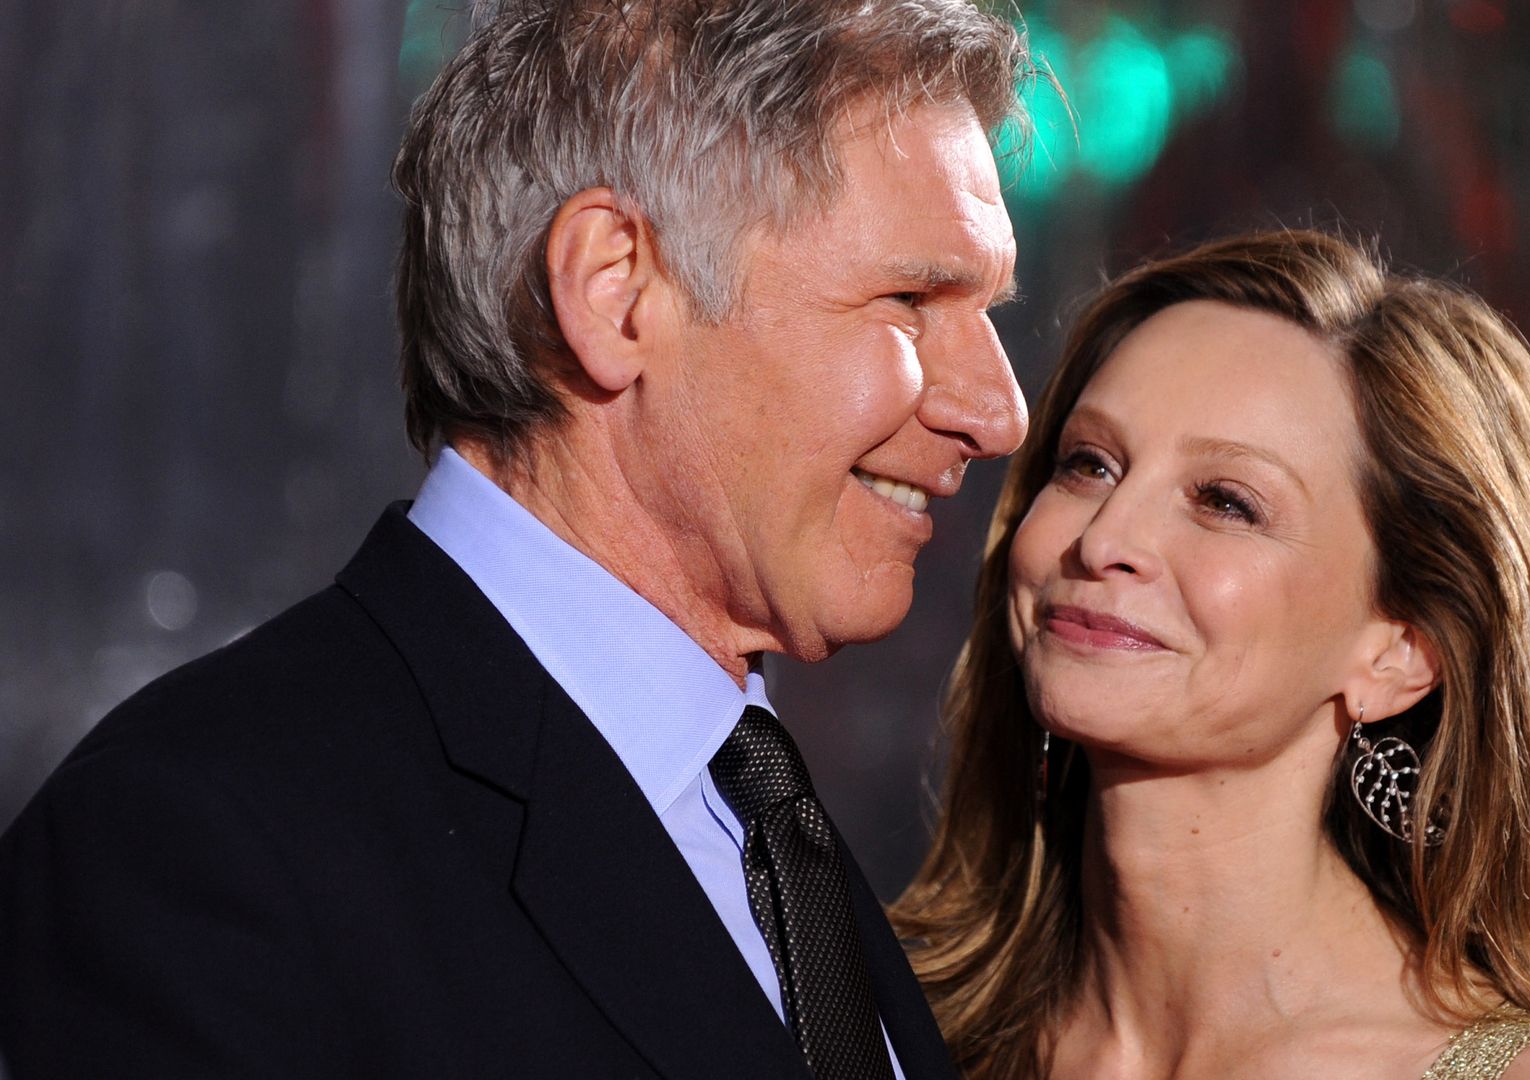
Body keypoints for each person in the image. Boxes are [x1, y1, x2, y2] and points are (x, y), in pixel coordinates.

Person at [0, 1, 1030, 1077]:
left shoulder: (765, 818)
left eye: (990, 314)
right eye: (911, 299)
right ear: (615, 292)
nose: (999, 414)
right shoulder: (199, 843)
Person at [891, 230, 1530, 1079]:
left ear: (1399, 653)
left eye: (1226, 503)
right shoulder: (895, 1026)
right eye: (1090, 465)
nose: (1105, 540)